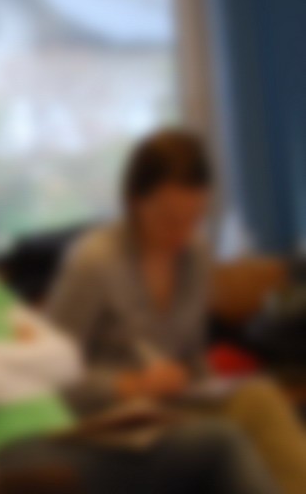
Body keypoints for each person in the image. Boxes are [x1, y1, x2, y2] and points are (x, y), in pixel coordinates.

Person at [0, 115, 277, 494]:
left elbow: (65, 359)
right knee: (218, 447)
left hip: (67, 434)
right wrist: (23, 367)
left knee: (232, 428)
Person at [46, 127, 306, 493]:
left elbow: (193, 357)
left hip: (172, 407)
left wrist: (190, 375)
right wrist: (127, 385)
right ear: (134, 201)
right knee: (221, 438)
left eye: (194, 218)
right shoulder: (94, 262)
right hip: (110, 421)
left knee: (259, 396)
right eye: (168, 219)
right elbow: (49, 376)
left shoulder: (195, 254)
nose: (182, 233)